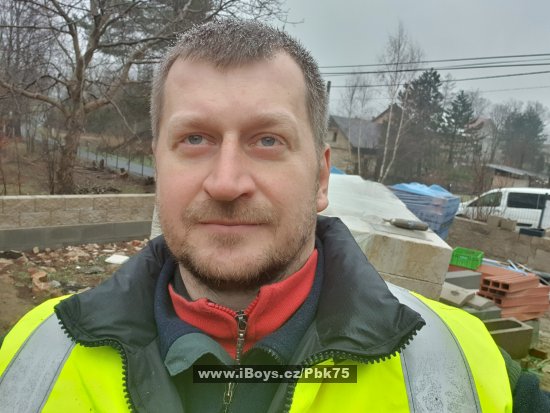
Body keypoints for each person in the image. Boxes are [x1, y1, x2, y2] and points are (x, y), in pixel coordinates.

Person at [0, 19, 548, 413]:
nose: (226, 182)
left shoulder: (465, 368)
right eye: (195, 139)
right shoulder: (32, 356)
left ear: (321, 177)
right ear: (159, 166)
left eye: (267, 140)